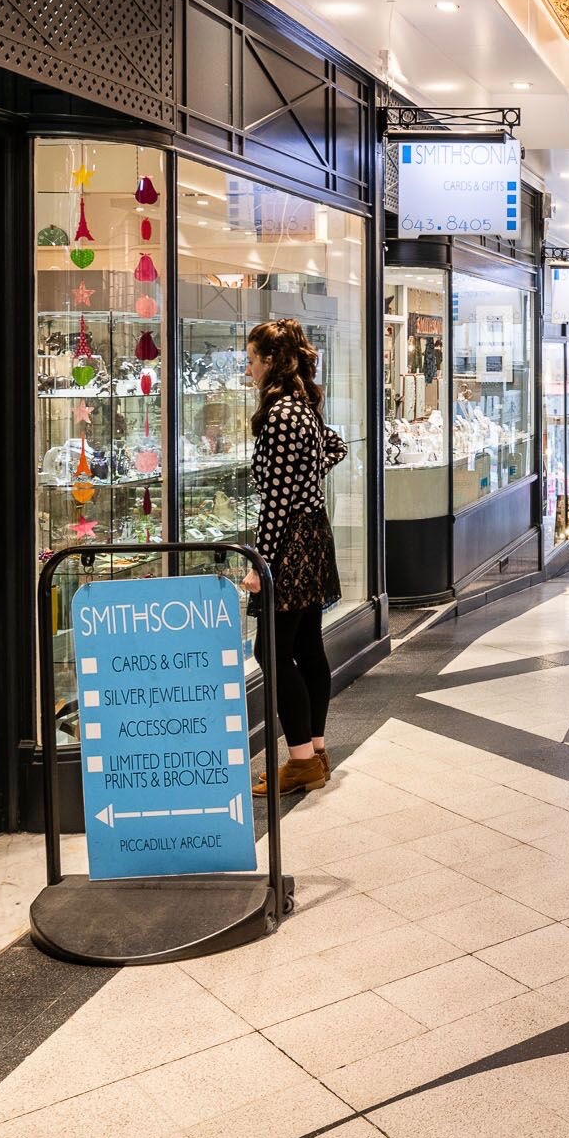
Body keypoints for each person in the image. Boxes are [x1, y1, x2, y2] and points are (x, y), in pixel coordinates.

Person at [238, 319, 349, 796]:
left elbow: (278, 502)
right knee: (305, 647)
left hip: (291, 543)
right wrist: (310, 475)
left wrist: (260, 564)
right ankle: (316, 751)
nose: (247, 370)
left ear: (269, 361)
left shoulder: (283, 414)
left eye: (250, 360)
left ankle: (301, 759)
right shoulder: (302, 407)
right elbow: (335, 447)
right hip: (311, 535)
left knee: (272, 651)